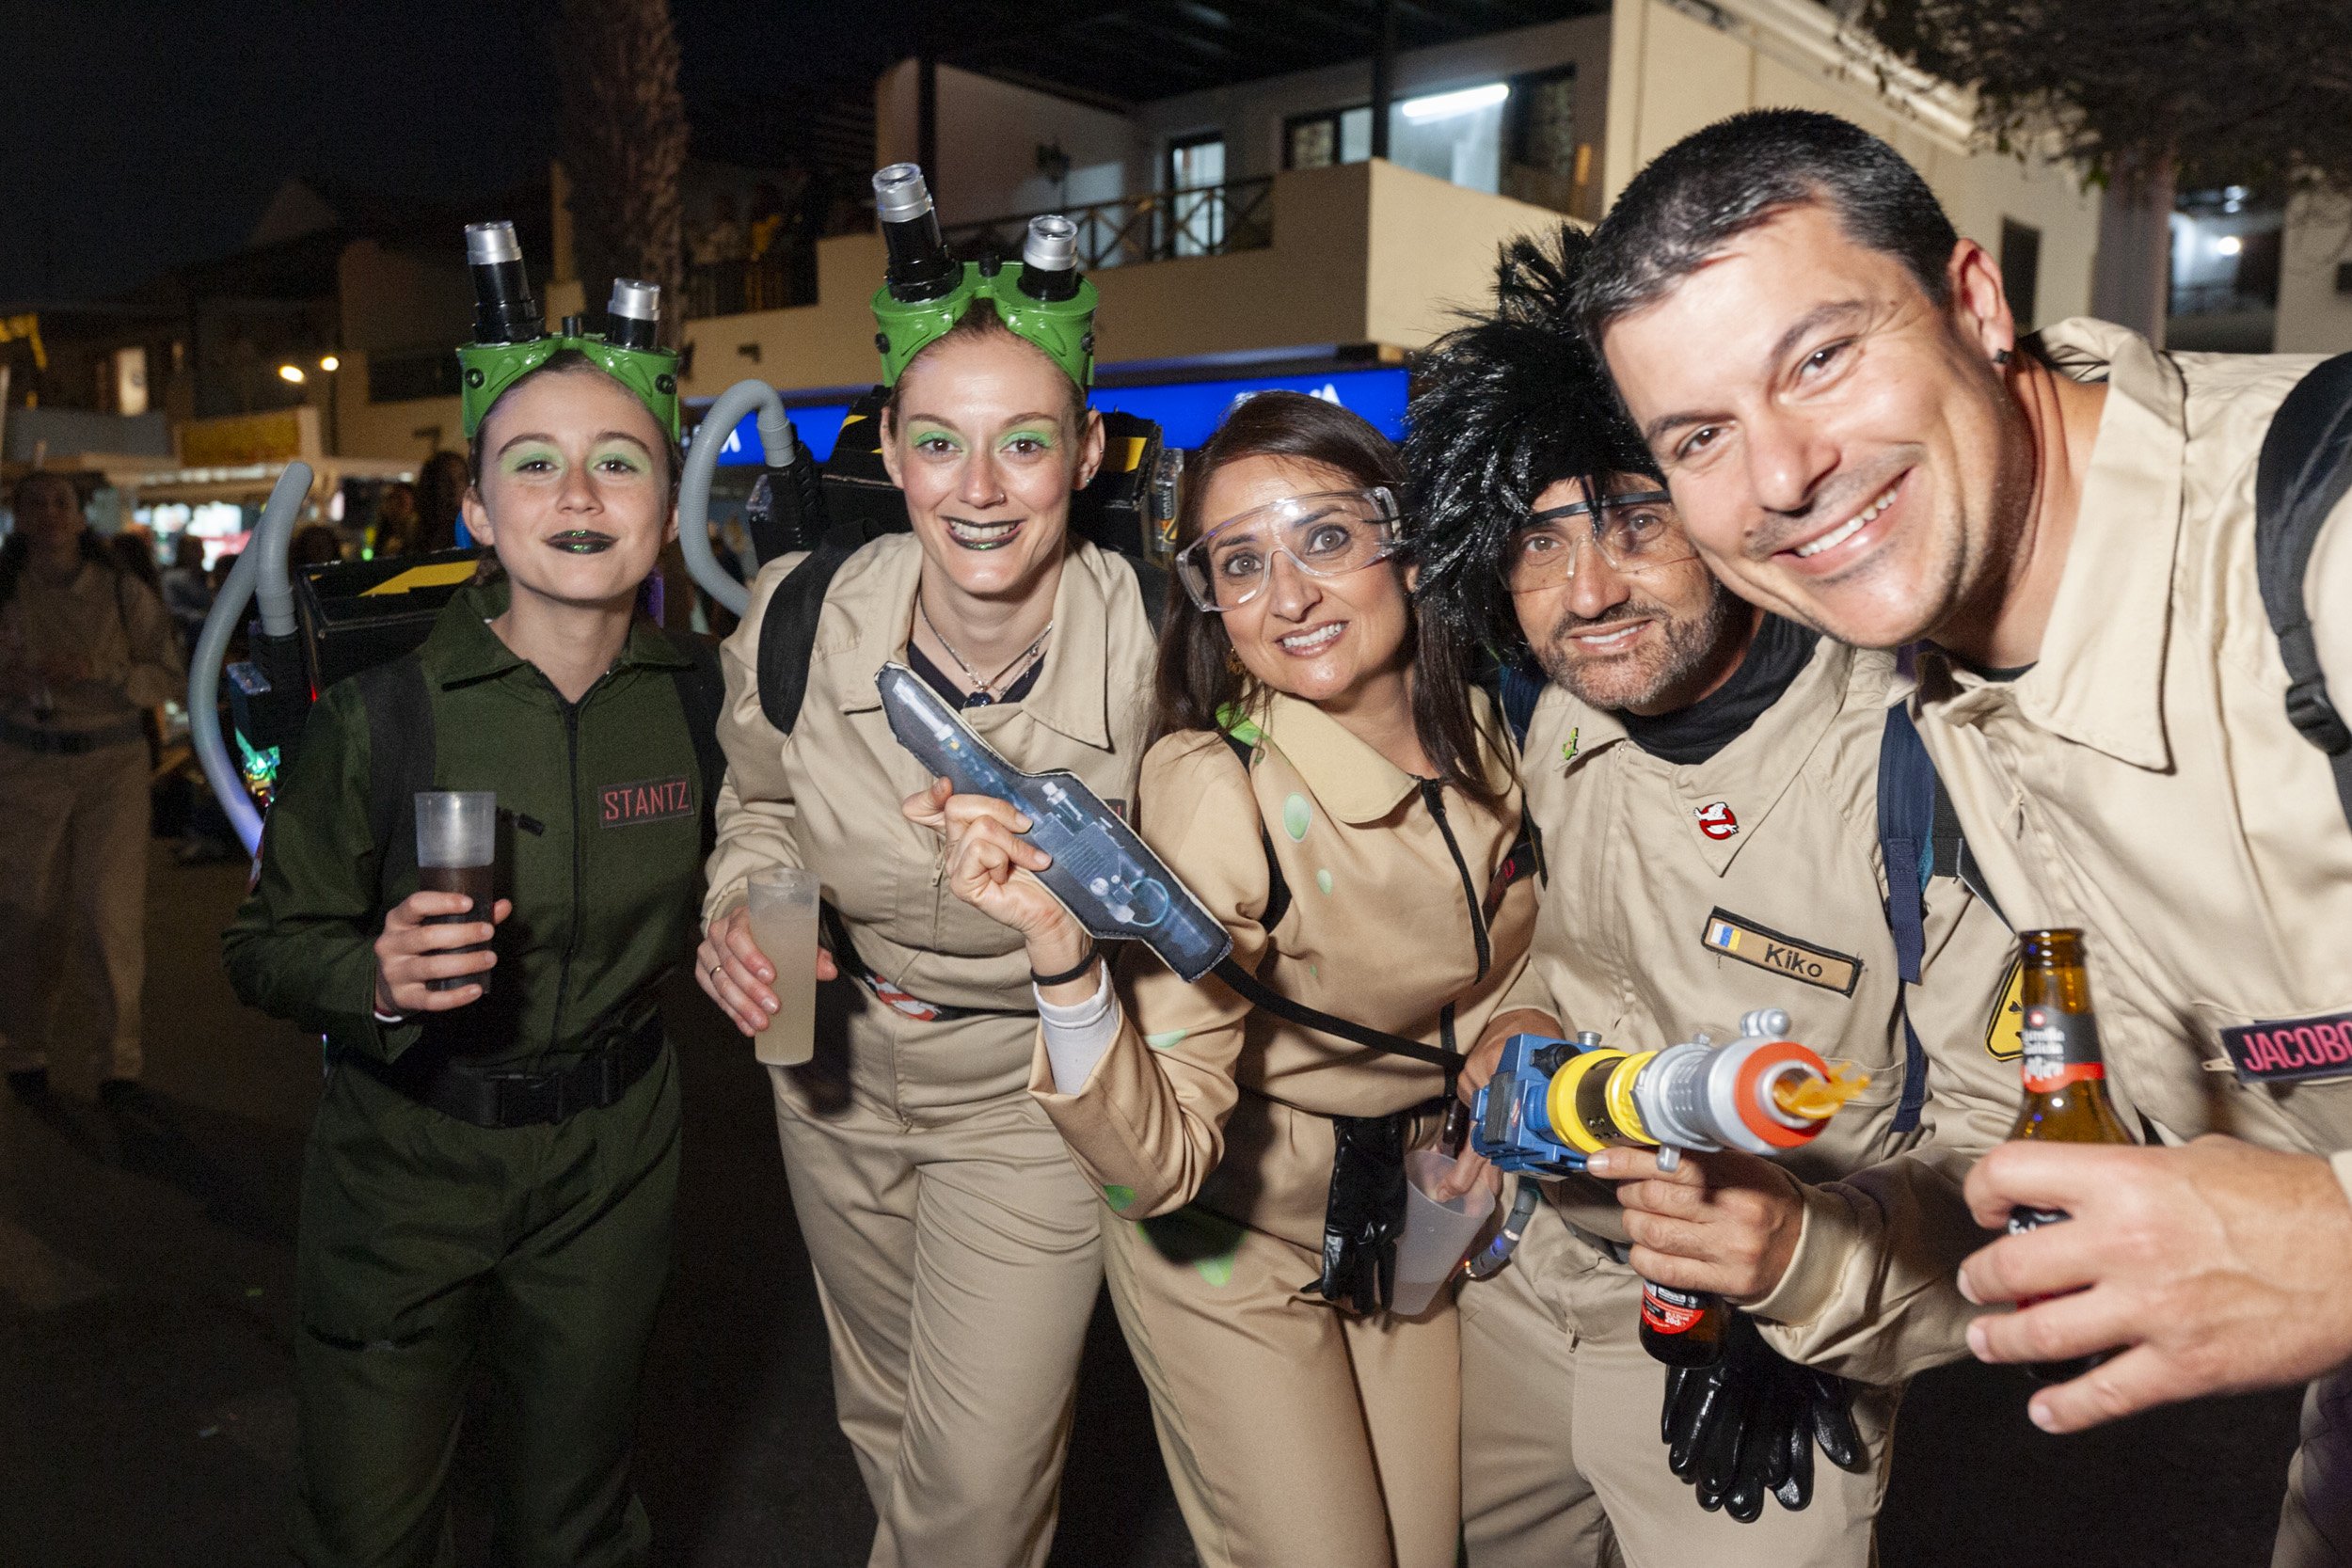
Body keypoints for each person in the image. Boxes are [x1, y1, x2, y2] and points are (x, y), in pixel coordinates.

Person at [1575, 105, 2352, 1562]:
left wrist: (2335, 1243)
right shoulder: (1938, 705)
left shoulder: (2321, 540)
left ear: (1978, 305)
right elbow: (2057, 1167)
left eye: (1820, 357)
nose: (1785, 475)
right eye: (1700, 435)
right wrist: (1808, 1246)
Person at [1406, 223, 2018, 1567]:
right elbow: (1548, 940)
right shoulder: (1558, 715)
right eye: (1541, 539)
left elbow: (2004, 1146)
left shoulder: (1918, 761)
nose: (1592, 592)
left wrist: (1802, 1271)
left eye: (1634, 519)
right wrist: (1513, 1017)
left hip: (1768, 1349)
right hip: (1521, 1297)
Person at [925, 390, 1541, 1568]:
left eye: (1324, 536)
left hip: (1408, 1203)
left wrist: (1521, 1013)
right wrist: (1062, 956)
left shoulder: (1494, 731)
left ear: (1405, 546)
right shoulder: (1215, 786)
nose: (1290, 595)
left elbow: (1555, 938)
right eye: (1240, 563)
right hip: (1232, 1232)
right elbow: (1157, 1165)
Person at [222, 309, 715, 1566]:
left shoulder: (706, 705)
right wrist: (374, 975)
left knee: (576, 1520)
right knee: (370, 1526)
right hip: (406, 1164)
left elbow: (761, 862)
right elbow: (266, 944)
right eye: (533, 461)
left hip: (612, 1164)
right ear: (481, 516)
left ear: (666, 506)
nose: (579, 491)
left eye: (620, 458)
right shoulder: (383, 716)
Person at [694, 239, 1157, 1568]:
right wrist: (746, 905)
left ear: (1083, 454)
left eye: (1024, 443)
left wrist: (1065, 888)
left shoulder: (1166, 638)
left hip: (1034, 1087)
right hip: (830, 1073)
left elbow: (1223, 896)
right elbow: (762, 805)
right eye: (941, 444)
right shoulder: (800, 612)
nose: (981, 488)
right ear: (890, 451)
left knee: (978, 1476)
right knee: (884, 1416)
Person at [0, 471, 182, 1101]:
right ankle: (23, 1046)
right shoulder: (7, 591)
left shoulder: (121, 590)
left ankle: (119, 1061)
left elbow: (169, 672)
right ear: (18, 516)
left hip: (112, 762)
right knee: (27, 914)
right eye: (35, 503)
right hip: (26, 763)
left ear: (80, 516)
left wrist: (99, 672)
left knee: (110, 915)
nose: (49, 513)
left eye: (61, 501)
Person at [161, 530, 213, 660]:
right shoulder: (172, 578)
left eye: (200, 548)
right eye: (195, 549)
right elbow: (171, 607)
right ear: (183, 552)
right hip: (186, 638)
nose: (201, 553)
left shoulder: (207, 577)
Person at [415, 450, 471, 553]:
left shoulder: (477, 529)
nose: (454, 486)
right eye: (446, 479)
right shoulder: (418, 532)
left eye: (460, 478)